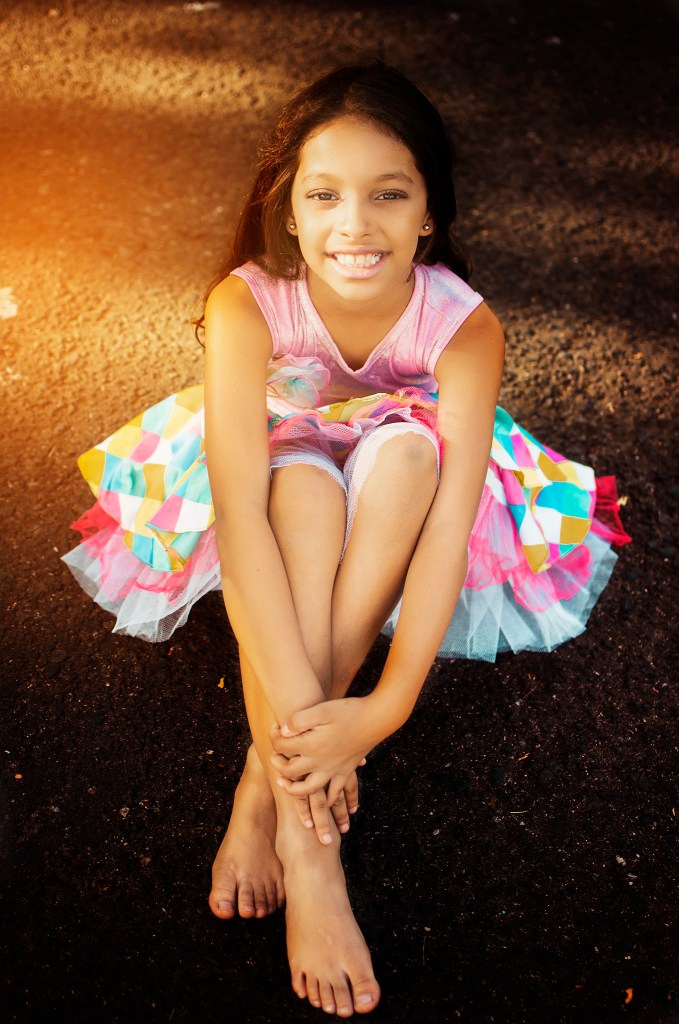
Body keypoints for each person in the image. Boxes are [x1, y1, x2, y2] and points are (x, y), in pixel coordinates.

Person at [62, 62, 630, 1018]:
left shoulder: (464, 327)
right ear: (287, 210)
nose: (354, 225)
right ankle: (308, 843)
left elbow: (448, 529)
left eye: (388, 194)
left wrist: (385, 708)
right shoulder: (246, 302)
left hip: (407, 469)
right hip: (277, 468)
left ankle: (263, 784)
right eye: (324, 195)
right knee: (299, 500)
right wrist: (322, 744)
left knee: (408, 461)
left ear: (429, 212)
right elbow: (240, 518)